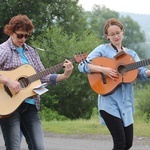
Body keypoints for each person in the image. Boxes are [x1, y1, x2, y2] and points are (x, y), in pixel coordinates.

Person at [0, 14, 73, 150]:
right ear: (11, 31)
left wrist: (64, 75)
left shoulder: (31, 52)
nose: (23, 39)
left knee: (39, 147)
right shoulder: (4, 50)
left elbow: (43, 76)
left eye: (26, 36)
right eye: (20, 35)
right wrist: (9, 81)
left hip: (30, 105)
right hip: (9, 107)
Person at [78, 18, 150, 150]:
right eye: (112, 34)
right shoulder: (102, 50)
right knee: (120, 144)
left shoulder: (131, 55)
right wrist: (103, 69)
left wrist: (148, 72)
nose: (116, 36)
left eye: (118, 32)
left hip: (126, 104)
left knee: (128, 144)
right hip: (108, 104)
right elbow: (82, 65)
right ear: (107, 36)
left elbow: (140, 73)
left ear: (122, 32)